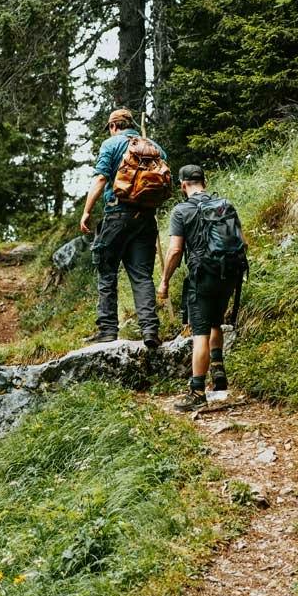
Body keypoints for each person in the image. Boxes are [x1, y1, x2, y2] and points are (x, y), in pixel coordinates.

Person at [158, 165, 247, 412]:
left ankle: (197, 391)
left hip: (203, 276)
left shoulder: (181, 211)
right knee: (216, 322)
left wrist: (164, 280)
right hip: (229, 273)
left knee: (200, 333)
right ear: (204, 182)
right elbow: (243, 241)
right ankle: (218, 375)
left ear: (183, 185)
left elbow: (175, 250)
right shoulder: (224, 205)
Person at [80, 108, 166, 347]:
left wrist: (87, 211)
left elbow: (100, 178)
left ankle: (107, 330)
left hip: (117, 214)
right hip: (146, 217)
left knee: (107, 270)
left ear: (113, 126)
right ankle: (150, 330)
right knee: (141, 276)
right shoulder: (154, 146)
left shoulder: (111, 144)